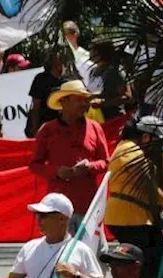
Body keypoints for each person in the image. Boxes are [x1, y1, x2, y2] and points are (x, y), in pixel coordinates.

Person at [29, 80, 109, 228]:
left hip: (89, 206)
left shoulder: (95, 128)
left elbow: (106, 162)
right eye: (79, 99)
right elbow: (34, 165)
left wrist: (90, 167)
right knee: (62, 250)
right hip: (59, 210)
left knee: (92, 251)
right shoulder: (47, 130)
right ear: (63, 101)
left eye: (86, 99)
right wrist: (57, 172)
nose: (85, 104)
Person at [106, 116, 163, 278]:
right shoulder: (132, 152)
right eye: (155, 140)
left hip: (125, 217)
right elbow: (148, 183)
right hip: (132, 219)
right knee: (156, 259)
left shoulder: (124, 147)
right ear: (145, 137)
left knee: (142, 262)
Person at [26, 48, 69, 138]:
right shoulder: (41, 79)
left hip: (64, 126)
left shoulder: (67, 80)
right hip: (45, 125)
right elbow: (36, 105)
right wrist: (35, 129)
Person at [87, 38, 131, 121]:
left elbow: (127, 97)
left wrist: (103, 103)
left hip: (113, 119)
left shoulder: (116, 72)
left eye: (91, 49)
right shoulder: (93, 71)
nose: (89, 52)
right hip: (95, 117)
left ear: (98, 53)